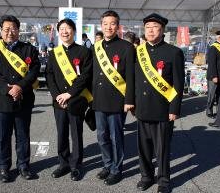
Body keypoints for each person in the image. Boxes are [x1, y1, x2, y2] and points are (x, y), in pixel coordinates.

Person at [0, 15, 40, 183]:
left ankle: (23, 165)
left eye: (13, 28)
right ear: (1, 31)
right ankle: (3, 167)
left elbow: (34, 69)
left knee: (23, 135)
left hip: (23, 98)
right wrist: (8, 89)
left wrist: (19, 86)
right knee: (3, 136)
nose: (10, 32)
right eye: (6, 29)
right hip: (2, 99)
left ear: (18, 30)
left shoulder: (28, 48)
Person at [135, 13, 185, 193]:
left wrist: (174, 108)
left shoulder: (174, 52)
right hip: (142, 108)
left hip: (163, 109)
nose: (150, 31)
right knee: (144, 148)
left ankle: (163, 181)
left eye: (155, 27)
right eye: (147, 28)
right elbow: (134, 80)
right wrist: (132, 102)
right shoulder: (139, 51)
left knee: (162, 149)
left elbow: (179, 83)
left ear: (162, 30)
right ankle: (146, 177)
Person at [92, 10, 135, 186]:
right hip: (99, 99)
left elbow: (131, 77)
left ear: (118, 26)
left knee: (116, 137)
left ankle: (117, 169)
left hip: (118, 100)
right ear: (101, 25)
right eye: (105, 24)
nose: (109, 27)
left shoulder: (126, 47)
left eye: (112, 24)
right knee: (102, 136)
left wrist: (129, 100)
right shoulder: (96, 47)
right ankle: (107, 165)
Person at [46, 18, 92, 181]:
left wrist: (69, 94)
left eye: (68, 28)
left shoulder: (84, 52)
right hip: (58, 101)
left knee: (76, 133)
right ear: (59, 32)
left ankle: (76, 165)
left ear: (74, 31)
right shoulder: (53, 53)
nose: (65, 32)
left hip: (76, 100)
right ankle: (63, 163)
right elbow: (49, 76)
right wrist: (57, 95)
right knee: (61, 133)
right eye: (62, 29)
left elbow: (85, 76)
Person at [206, 30, 220, 118]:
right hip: (214, 75)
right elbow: (211, 63)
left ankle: (219, 112)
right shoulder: (213, 47)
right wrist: (214, 76)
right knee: (211, 95)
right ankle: (209, 111)